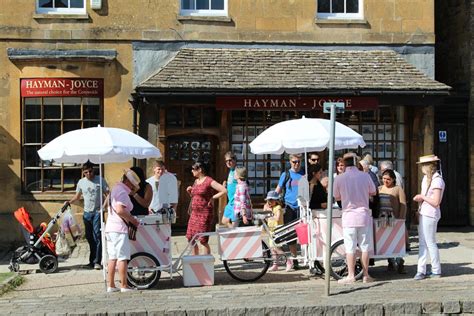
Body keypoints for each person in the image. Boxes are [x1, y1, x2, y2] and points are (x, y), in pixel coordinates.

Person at [333, 152, 377, 284]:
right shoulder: (365, 176)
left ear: (344, 163)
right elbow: (373, 191)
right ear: (356, 162)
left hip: (349, 216)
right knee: (365, 247)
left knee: (350, 247)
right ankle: (365, 275)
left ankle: (351, 275)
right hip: (363, 215)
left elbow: (337, 196)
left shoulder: (339, 178)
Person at [67, 162, 109, 270]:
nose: (89, 174)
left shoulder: (100, 179)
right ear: (83, 173)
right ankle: (92, 261)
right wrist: (69, 202)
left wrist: (103, 208)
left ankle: (97, 261)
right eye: (86, 172)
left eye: (90, 171)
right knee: (90, 237)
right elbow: (77, 196)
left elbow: (108, 194)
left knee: (97, 237)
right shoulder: (81, 182)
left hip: (97, 212)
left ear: (93, 170)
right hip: (87, 213)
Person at [105, 169, 141, 293]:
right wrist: (132, 220)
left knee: (112, 257)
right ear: (127, 182)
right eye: (132, 184)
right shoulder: (122, 192)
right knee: (122, 257)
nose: (133, 187)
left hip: (110, 227)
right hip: (119, 229)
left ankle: (110, 285)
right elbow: (120, 210)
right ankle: (124, 285)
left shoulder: (115, 189)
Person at [413, 154, 445, 280]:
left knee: (430, 242)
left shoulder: (437, 180)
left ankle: (436, 270)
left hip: (431, 214)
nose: (421, 168)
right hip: (423, 212)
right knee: (422, 242)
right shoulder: (426, 179)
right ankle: (421, 270)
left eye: (422, 165)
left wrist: (422, 197)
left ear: (427, 166)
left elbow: (436, 202)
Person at [186, 161, 227, 255]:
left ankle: (206, 262)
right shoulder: (196, 181)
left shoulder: (209, 180)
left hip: (204, 214)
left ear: (200, 170)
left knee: (203, 240)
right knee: (190, 237)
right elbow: (194, 196)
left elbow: (224, 190)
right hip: (194, 214)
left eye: (193, 169)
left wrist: (212, 198)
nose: (192, 171)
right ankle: (195, 260)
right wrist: (189, 192)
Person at [275, 153, 305, 271]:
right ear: (290, 162)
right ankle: (294, 259)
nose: (296, 164)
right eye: (294, 162)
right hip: (289, 207)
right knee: (291, 235)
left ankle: (306, 257)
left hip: (302, 207)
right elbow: (278, 189)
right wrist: (270, 201)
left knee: (303, 234)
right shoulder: (286, 175)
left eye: (298, 161)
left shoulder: (304, 173)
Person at [379, 169, 407, 273]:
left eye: (388, 179)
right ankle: (390, 262)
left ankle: (400, 263)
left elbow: (403, 204)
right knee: (385, 242)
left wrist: (401, 219)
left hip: (394, 219)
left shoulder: (397, 189)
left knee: (397, 242)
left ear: (393, 179)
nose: (385, 181)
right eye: (384, 179)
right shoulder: (379, 188)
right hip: (382, 219)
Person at [262, 190, 285, 271]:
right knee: (272, 249)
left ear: (276, 200)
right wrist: (265, 210)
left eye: (271, 200)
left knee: (277, 248)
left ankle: (289, 260)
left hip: (277, 230)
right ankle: (275, 264)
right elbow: (264, 217)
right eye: (268, 200)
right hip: (271, 230)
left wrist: (270, 214)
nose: (269, 202)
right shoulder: (270, 208)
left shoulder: (278, 208)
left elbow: (277, 218)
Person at [222, 152, 238, 228]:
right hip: (230, 202)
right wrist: (226, 183)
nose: (228, 162)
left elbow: (243, 185)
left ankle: (237, 236)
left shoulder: (237, 171)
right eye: (226, 161)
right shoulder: (231, 171)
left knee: (235, 225)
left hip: (236, 202)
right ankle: (234, 231)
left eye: (230, 160)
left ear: (234, 160)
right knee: (224, 220)